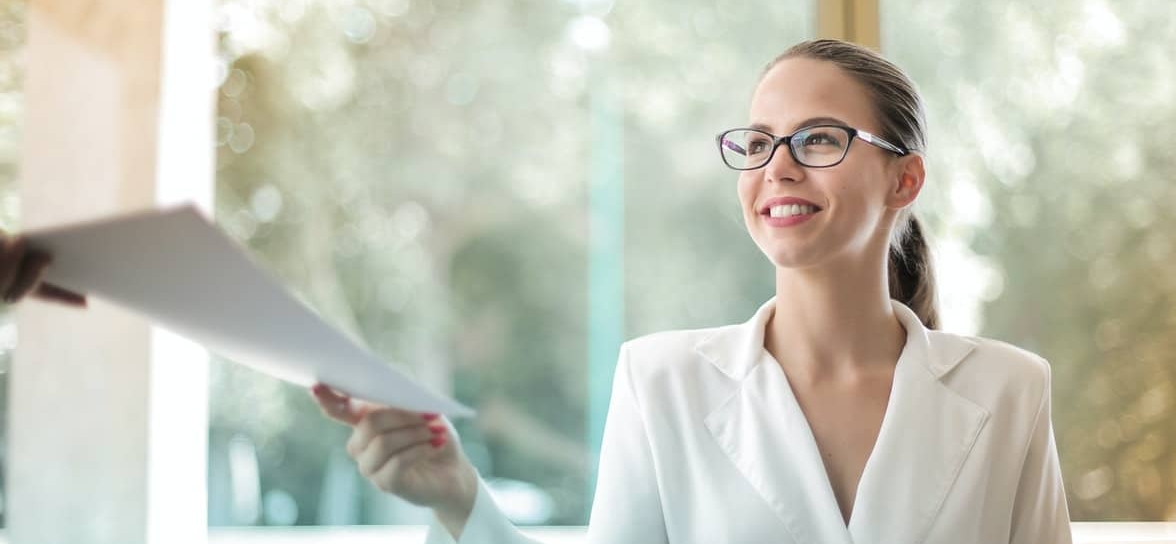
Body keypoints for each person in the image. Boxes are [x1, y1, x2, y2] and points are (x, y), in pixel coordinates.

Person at [5, 39, 1072, 544]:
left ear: (903, 179)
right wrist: (460, 497)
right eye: (755, 142)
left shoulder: (1007, 393)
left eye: (818, 139)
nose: (776, 166)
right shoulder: (660, 380)